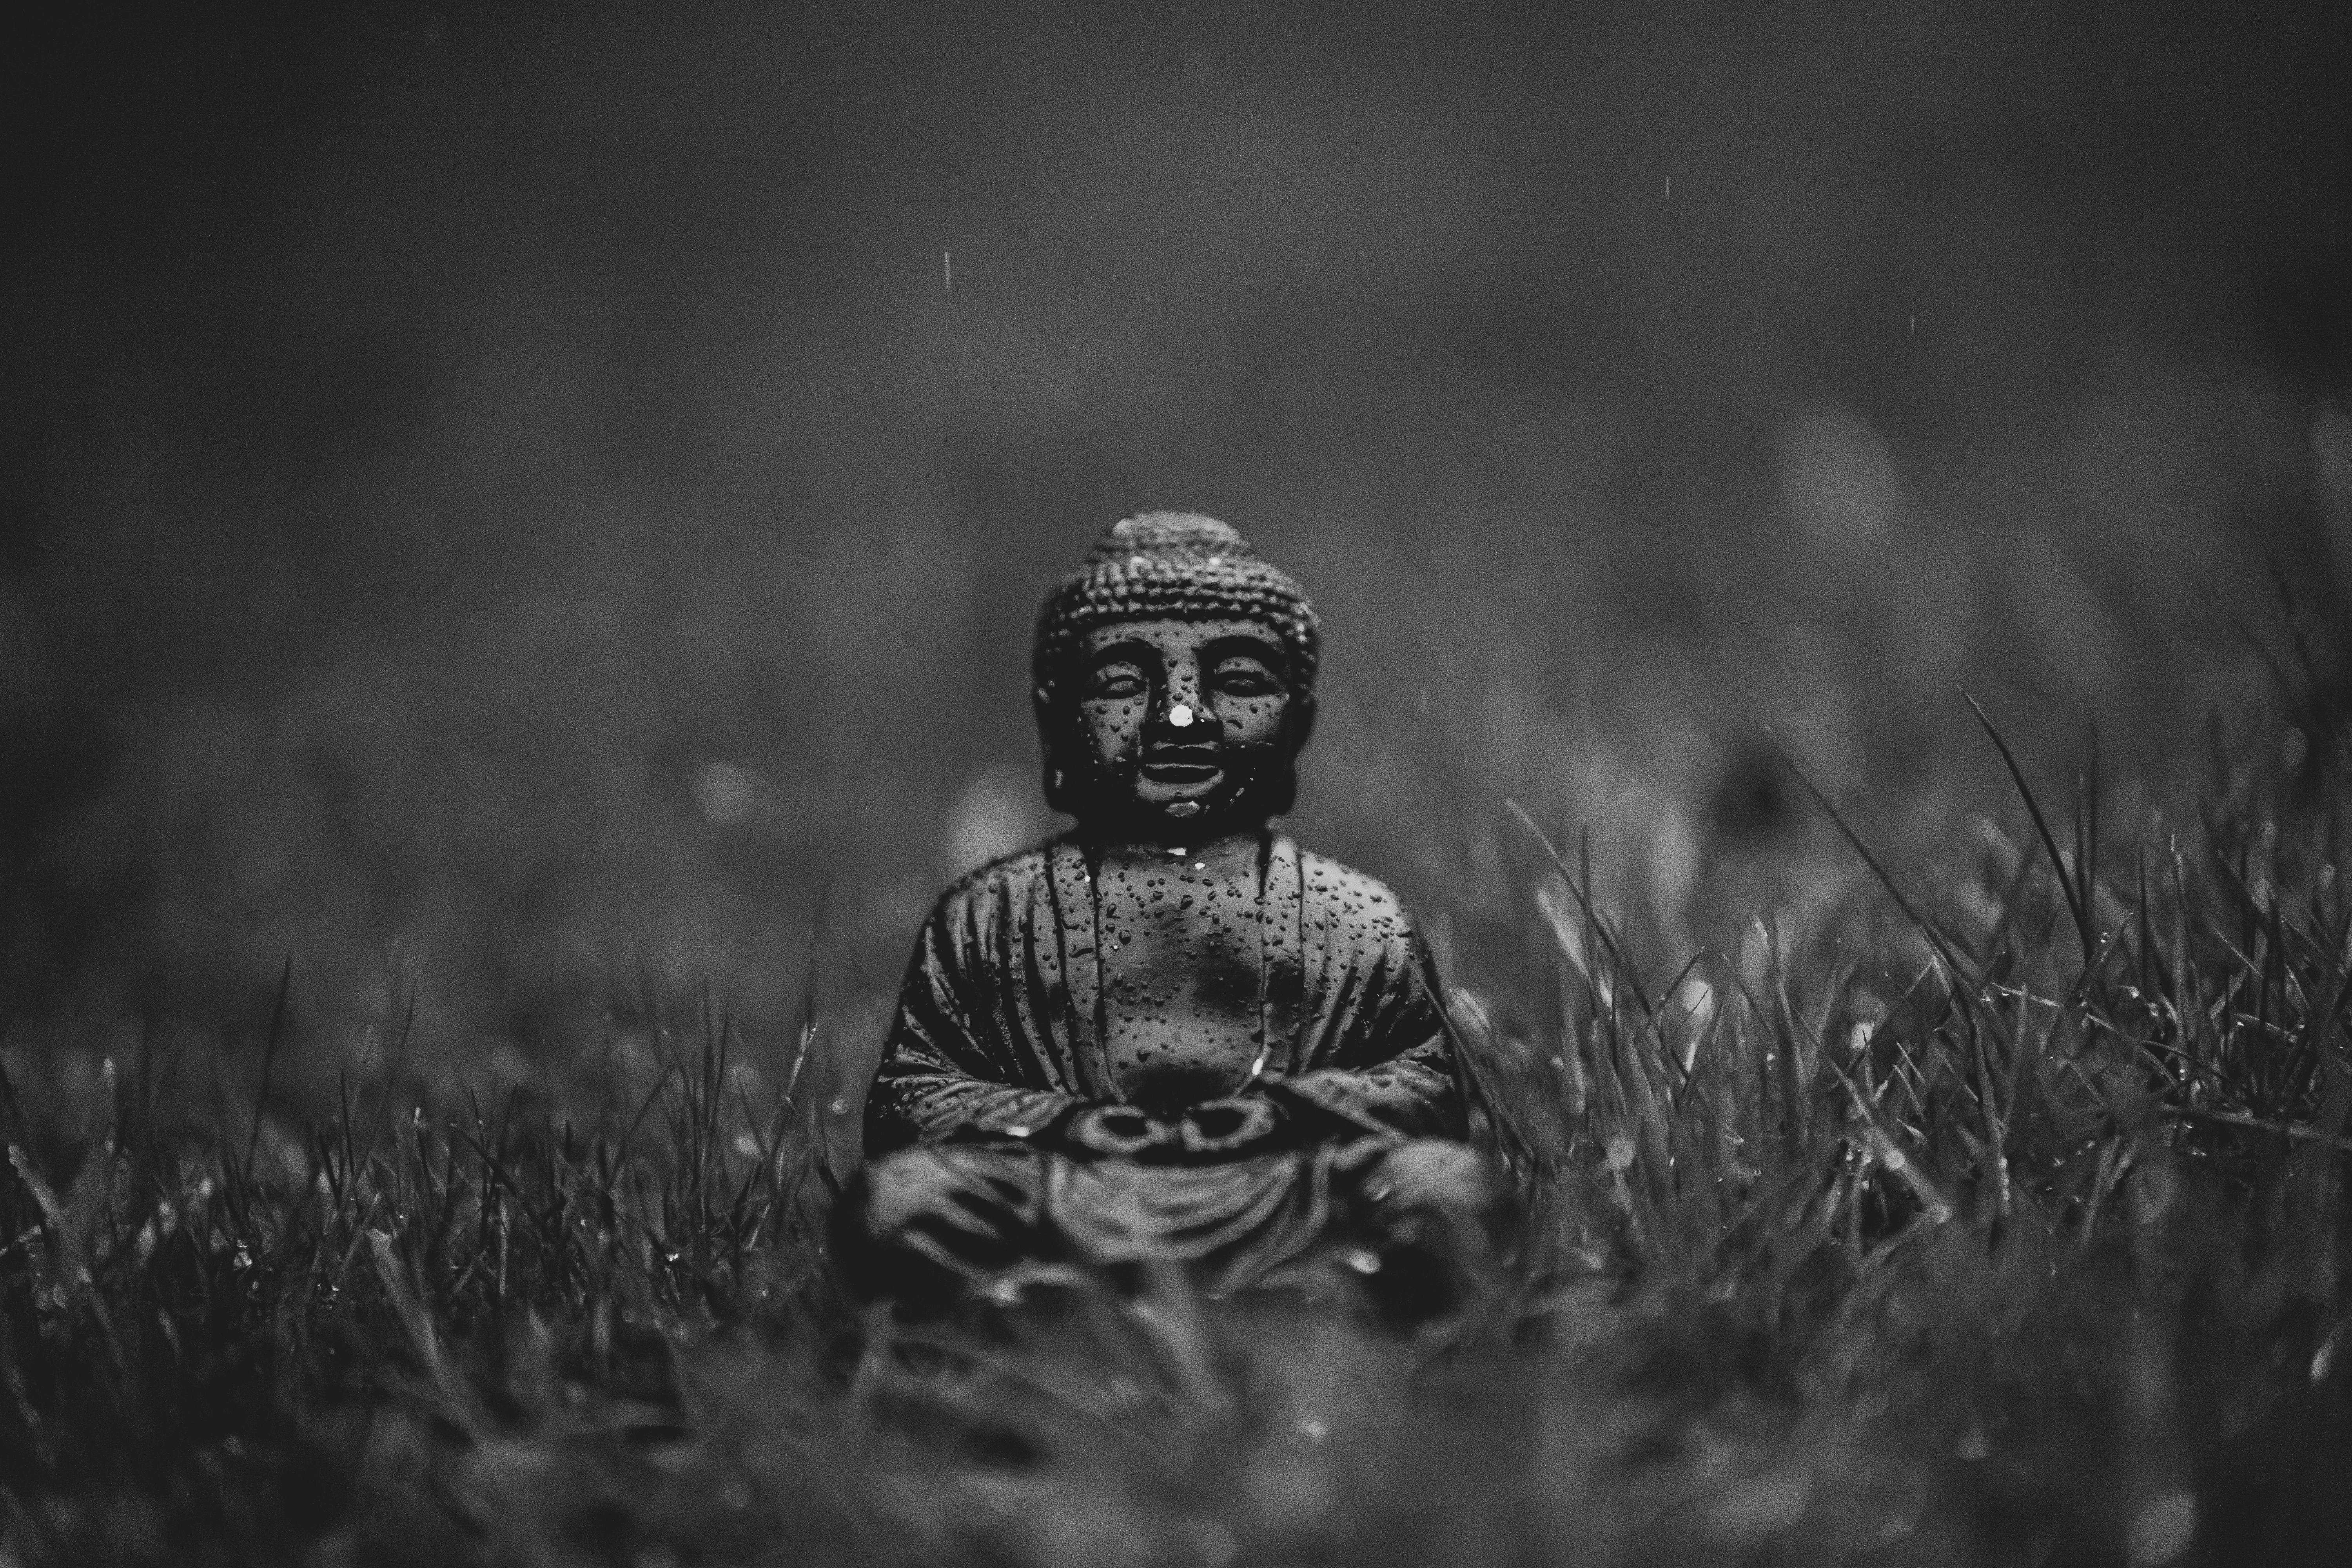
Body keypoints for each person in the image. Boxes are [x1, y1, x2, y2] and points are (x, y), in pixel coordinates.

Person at [839, 513, 1507, 1318]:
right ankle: (1293, 1306)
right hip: (1067, 1190)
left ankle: (1077, 1312)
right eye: (1124, 683)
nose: (1182, 715)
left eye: (1239, 680)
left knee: (1447, 1186)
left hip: (1279, 1187)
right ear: (1055, 721)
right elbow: (916, 1097)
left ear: (1300, 723)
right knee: (903, 1200)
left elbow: (1422, 1089)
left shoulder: (1356, 913)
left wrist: (1273, 1116)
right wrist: (1077, 1127)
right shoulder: (991, 912)